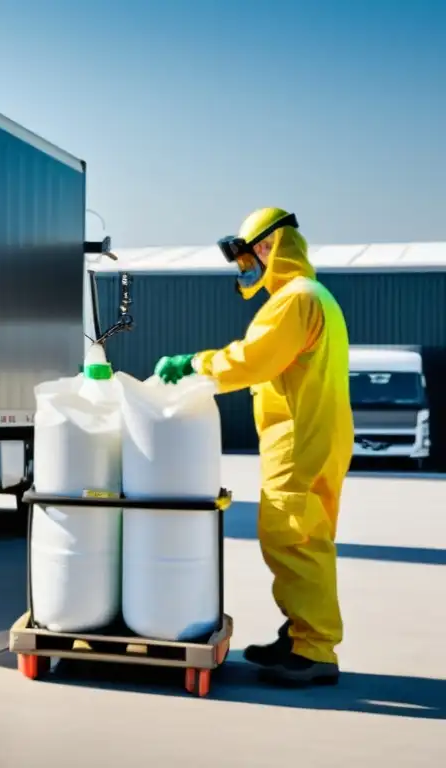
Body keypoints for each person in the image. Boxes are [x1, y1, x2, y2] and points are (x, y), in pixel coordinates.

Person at [153, 207, 353, 685]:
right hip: (317, 434)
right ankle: (301, 634)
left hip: (300, 439)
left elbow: (252, 360)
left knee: (294, 540)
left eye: (248, 260)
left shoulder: (294, 300)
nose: (247, 272)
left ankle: (314, 652)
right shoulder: (315, 296)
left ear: (269, 247)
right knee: (305, 539)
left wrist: (191, 365)